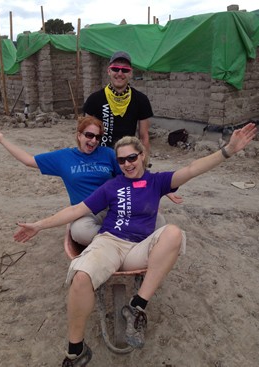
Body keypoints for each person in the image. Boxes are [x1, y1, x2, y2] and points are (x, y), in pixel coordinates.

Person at [14, 123, 256, 367]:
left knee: (173, 232)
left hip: (139, 248)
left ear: (142, 156)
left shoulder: (157, 182)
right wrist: (39, 225)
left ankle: (137, 306)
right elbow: (77, 209)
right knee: (81, 277)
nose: (127, 164)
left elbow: (192, 169)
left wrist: (228, 150)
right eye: (121, 161)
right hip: (110, 242)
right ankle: (76, 351)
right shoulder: (112, 185)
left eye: (132, 157)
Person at [0, 116, 122, 245]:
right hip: (84, 212)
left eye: (98, 137)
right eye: (89, 135)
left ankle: (110, 240)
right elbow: (29, 160)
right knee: (80, 233)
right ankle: (116, 240)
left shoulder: (108, 153)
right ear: (79, 135)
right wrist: (2, 140)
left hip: (111, 207)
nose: (94, 140)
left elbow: (125, 179)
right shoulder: (64, 157)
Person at [83, 50, 182, 206]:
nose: (120, 73)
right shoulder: (95, 100)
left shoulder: (140, 100)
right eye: (116, 68)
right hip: (100, 158)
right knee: (96, 201)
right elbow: (85, 135)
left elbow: (143, 136)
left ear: (130, 73)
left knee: (131, 201)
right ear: (109, 71)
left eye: (125, 70)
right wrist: (85, 160)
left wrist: (145, 166)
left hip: (126, 159)